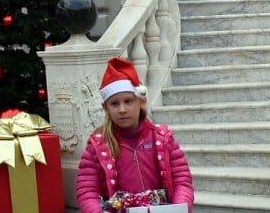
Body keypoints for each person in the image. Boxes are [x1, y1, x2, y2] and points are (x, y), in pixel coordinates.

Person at [76, 57, 194, 213]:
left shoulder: (162, 138)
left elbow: (182, 181)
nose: (122, 109)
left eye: (128, 101)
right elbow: (87, 190)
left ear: (141, 101)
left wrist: (180, 207)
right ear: (105, 107)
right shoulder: (98, 146)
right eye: (114, 103)